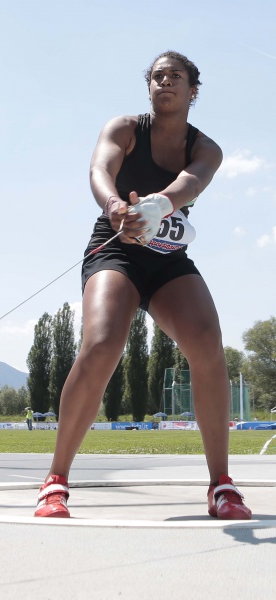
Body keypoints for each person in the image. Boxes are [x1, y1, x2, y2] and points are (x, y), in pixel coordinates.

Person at [34, 51, 252, 520]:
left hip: (167, 255)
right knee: (102, 343)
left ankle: (221, 484)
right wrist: (115, 207)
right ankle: (55, 480)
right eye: (157, 76)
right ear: (148, 86)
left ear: (193, 90)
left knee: (207, 342)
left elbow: (191, 183)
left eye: (176, 76)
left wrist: (157, 206)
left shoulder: (206, 148)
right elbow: (100, 170)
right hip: (116, 248)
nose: (165, 82)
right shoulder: (125, 128)